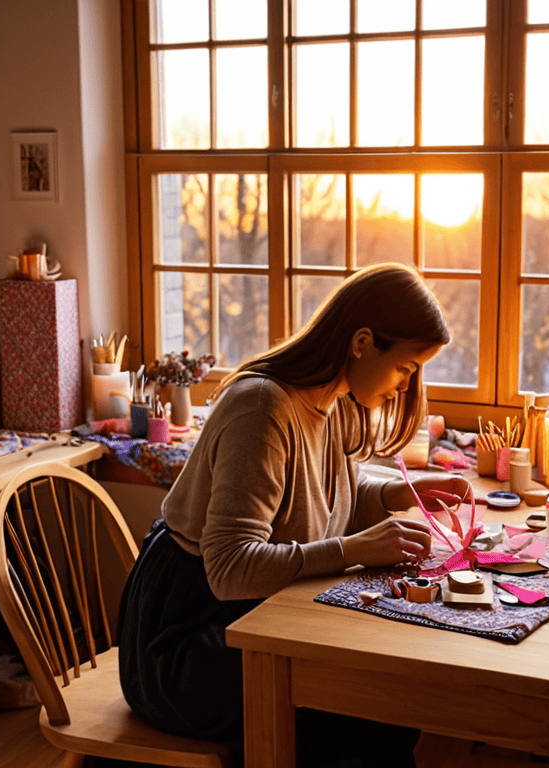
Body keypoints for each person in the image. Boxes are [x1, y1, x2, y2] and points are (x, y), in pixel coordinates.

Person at [117, 263, 469, 767]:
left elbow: (330, 497)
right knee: (358, 708)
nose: (402, 386)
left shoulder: (336, 399)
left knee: (387, 696)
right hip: (187, 641)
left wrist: (401, 494)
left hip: (254, 613)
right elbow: (229, 568)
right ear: (362, 342)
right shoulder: (261, 409)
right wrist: (352, 550)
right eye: (405, 368)